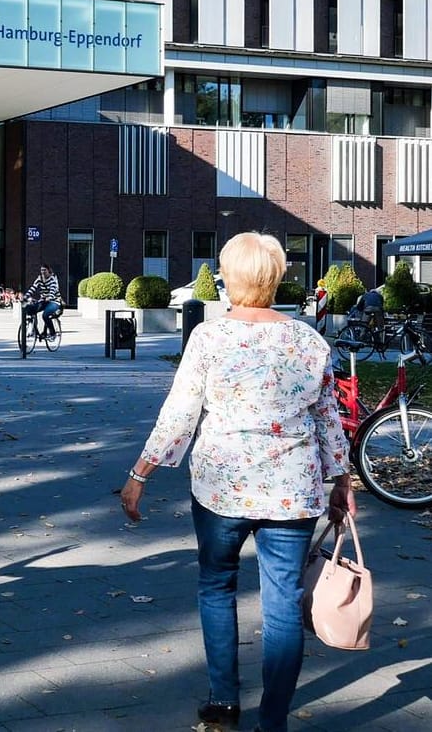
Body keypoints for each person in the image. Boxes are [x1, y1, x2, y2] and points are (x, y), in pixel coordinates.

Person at [120, 232, 353, 732]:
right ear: (276, 277)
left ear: (229, 277)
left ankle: (224, 701)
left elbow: (180, 413)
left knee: (216, 585)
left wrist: (141, 473)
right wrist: (342, 479)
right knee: (284, 601)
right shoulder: (309, 340)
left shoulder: (210, 336)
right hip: (293, 488)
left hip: (222, 487)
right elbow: (329, 420)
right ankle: (274, 720)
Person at [22, 264, 62, 336]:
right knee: (30, 309)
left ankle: (52, 332)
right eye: (41, 270)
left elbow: (53, 289)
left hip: (54, 301)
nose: (43, 272)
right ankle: (33, 328)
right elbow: (33, 288)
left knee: (45, 315)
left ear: (48, 271)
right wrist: (25, 296)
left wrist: (50, 296)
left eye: (44, 270)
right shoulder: (39, 279)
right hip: (44, 301)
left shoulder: (52, 279)